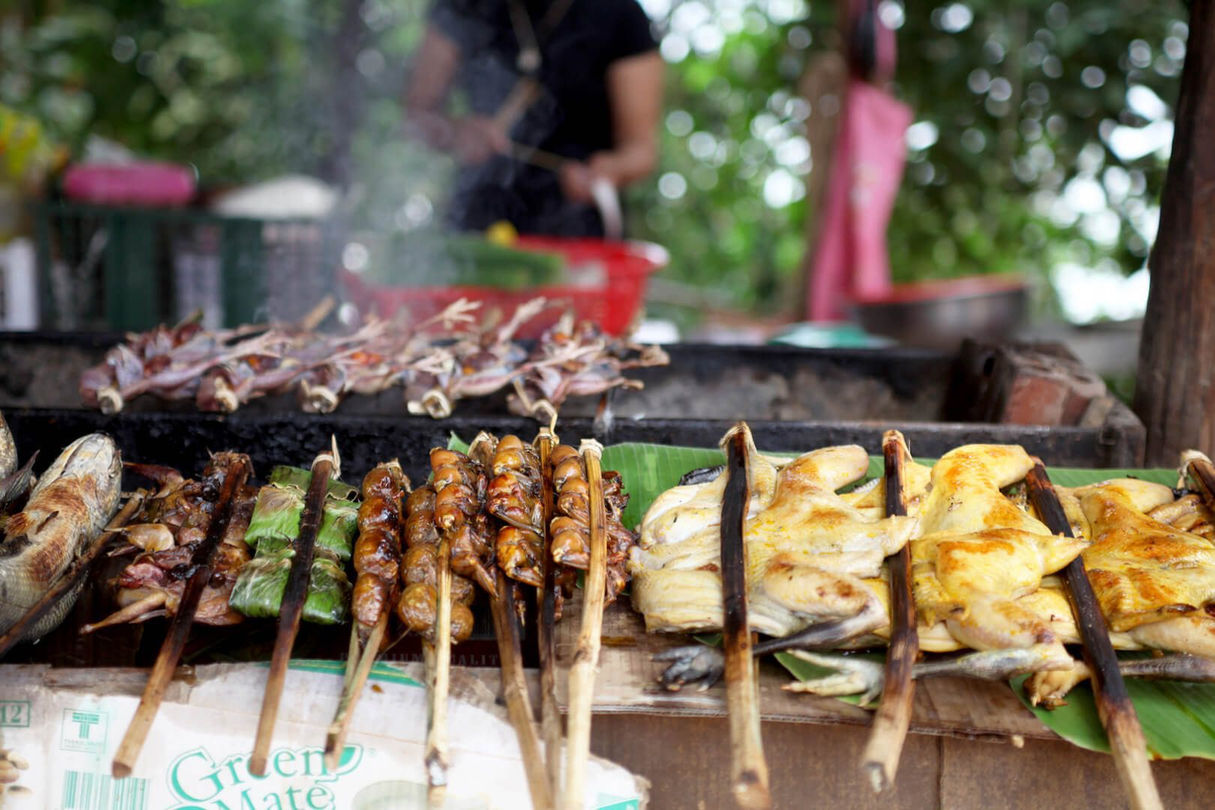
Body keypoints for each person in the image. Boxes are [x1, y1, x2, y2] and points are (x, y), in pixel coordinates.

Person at [403, 0, 664, 237]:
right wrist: (456, 133)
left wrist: (605, 171)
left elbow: (640, 152)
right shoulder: (462, 6)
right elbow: (417, 117)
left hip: (577, 236)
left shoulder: (622, 15)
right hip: (475, 227)